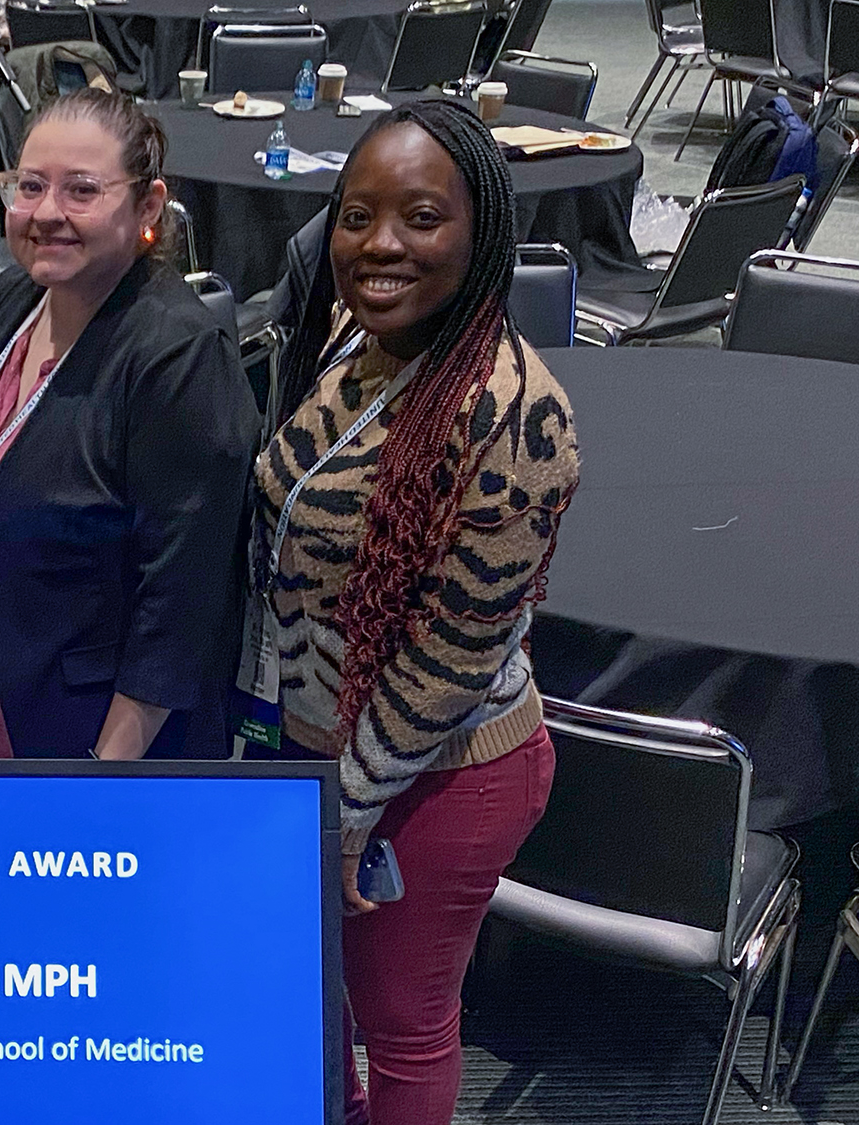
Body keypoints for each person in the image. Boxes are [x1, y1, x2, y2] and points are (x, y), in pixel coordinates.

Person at [252, 99, 580, 1124]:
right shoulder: (359, 347)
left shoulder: (518, 417)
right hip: (319, 747)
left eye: (419, 217)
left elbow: (448, 660)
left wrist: (347, 815)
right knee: (319, 1002)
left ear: (480, 232)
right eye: (356, 216)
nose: (378, 244)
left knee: (401, 1027)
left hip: (433, 775)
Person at [0, 87, 257, 760]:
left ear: (149, 205)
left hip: (84, 743)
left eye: (82, 191)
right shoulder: (27, 294)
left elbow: (181, 604)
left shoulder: (180, 358)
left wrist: (101, 782)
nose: (48, 214)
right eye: (30, 186)